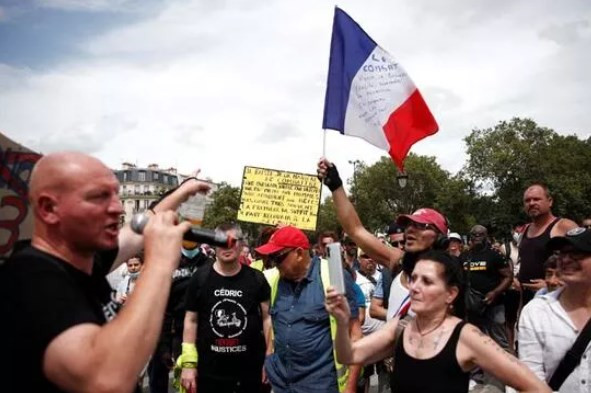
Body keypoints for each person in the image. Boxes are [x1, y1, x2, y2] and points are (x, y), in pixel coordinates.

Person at [0, 151, 211, 393]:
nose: (119, 209)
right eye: (99, 197)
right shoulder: (30, 279)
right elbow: (107, 378)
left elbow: (140, 225)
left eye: (116, 195)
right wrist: (160, 262)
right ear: (49, 208)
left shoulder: (83, 260)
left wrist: (183, 191)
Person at [325, 250, 552, 393]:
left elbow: (533, 386)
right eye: (413, 279)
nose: (414, 287)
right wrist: (343, 322)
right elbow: (348, 356)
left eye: (427, 281)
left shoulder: (466, 336)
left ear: (450, 294)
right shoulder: (400, 326)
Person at [317, 158, 450, 323]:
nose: (410, 230)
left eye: (420, 226)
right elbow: (356, 230)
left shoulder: (452, 278)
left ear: (441, 239)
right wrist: (336, 186)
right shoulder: (398, 261)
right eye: (408, 225)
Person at [256, 225, 360, 393]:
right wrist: (269, 358)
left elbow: (355, 335)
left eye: (278, 257)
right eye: (271, 258)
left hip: (320, 385)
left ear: (298, 253)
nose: (274, 263)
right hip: (282, 384)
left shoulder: (332, 277)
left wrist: (350, 388)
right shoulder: (275, 280)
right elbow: (275, 324)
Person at [179, 223, 272, 393]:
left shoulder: (256, 278)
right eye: (220, 242)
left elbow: (268, 319)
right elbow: (191, 321)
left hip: (250, 372)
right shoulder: (200, 278)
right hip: (210, 373)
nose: (226, 247)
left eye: (231, 241)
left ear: (241, 244)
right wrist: (188, 365)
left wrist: (270, 357)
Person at [518, 227, 591, 392]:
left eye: (577, 254)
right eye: (562, 254)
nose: (566, 260)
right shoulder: (536, 313)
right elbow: (532, 381)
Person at [148, 240, 212, 393]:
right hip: (171, 331)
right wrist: (163, 345)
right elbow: (160, 306)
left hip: (201, 334)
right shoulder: (168, 263)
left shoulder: (209, 265)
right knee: (158, 375)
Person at [461, 224, 513, 389]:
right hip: (473, 306)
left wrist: (495, 293)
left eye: (480, 234)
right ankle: (476, 376)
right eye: (474, 234)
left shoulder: (494, 254)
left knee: (500, 341)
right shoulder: (465, 255)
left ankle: (509, 376)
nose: (477, 237)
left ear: (486, 236)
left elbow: (508, 276)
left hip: (494, 305)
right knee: (474, 340)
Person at [518, 183, 577, 305]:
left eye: (537, 199)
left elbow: (584, 263)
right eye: (527, 200)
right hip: (528, 302)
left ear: (550, 201)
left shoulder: (564, 226)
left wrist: (550, 283)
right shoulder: (525, 230)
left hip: (557, 301)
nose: (531, 203)